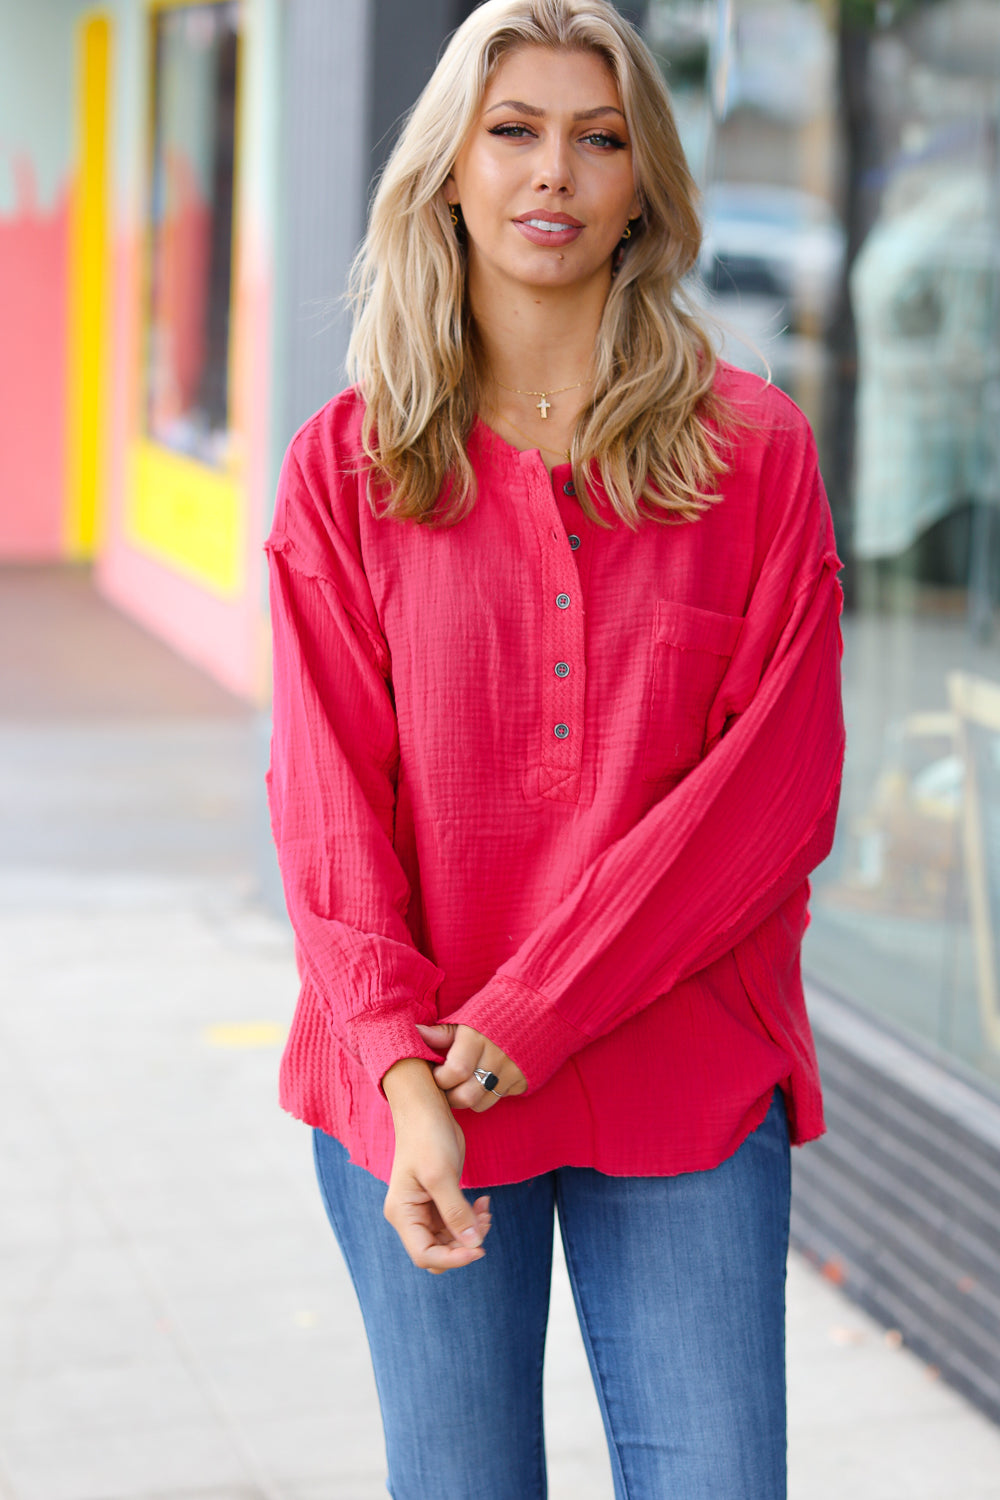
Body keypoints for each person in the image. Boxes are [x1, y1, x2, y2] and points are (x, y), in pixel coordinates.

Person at [265, 1, 845, 1496]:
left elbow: (768, 801)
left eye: (598, 140)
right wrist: (406, 1080)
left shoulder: (754, 454)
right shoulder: (349, 468)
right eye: (512, 131)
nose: (554, 174)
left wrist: (536, 1011)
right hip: (424, 1084)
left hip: (680, 1067)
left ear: (643, 180)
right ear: (448, 169)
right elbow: (329, 814)